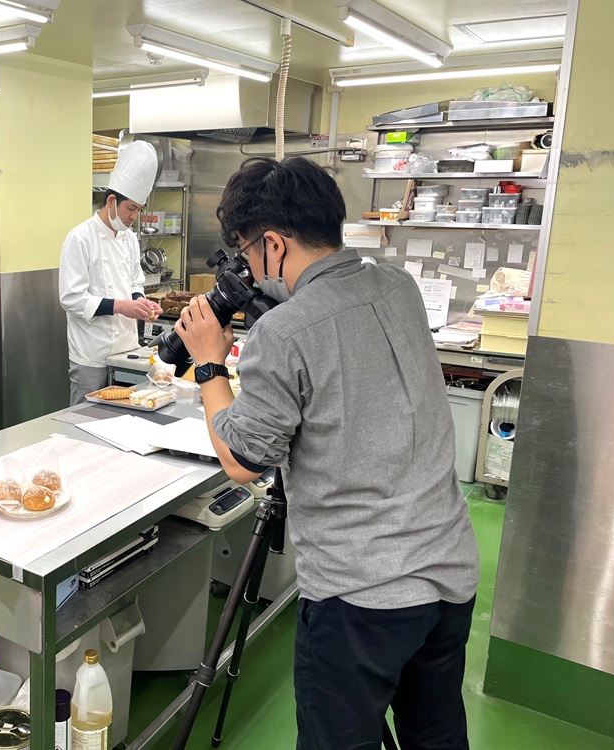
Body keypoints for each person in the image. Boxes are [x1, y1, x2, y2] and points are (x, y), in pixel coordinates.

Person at [173, 156, 480, 750]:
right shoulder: (398, 284)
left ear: (272, 244)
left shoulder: (284, 332)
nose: (249, 269)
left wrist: (210, 362)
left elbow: (242, 460)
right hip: (448, 566)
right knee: (437, 734)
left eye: (247, 253)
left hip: (361, 595)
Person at [59, 141, 163, 404]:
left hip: (127, 350)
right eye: (131, 208)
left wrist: (140, 302)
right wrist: (121, 306)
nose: (134, 216)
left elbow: (135, 282)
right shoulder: (80, 238)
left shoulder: (129, 238)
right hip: (91, 353)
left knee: (125, 414)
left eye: (139, 209)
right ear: (111, 201)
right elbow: (71, 298)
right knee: (83, 418)